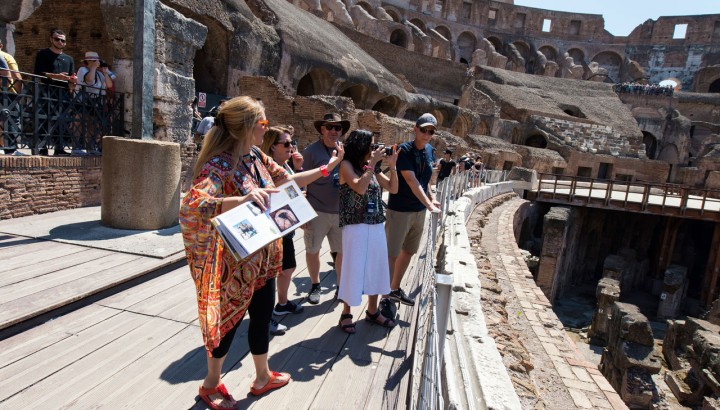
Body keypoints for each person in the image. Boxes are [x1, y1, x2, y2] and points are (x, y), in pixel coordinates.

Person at [179, 96, 343, 409]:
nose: (265, 130)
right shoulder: (219, 166)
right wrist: (241, 200)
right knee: (226, 324)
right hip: (235, 264)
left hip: (266, 258)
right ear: (246, 127)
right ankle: (211, 383)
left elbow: (287, 180)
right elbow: (192, 205)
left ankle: (262, 375)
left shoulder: (255, 155)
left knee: (262, 317)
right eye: (263, 124)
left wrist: (327, 168)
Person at [336, 130, 399, 333]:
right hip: (355, 225)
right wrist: (372, 164)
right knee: (353, 266)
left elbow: (392, 188)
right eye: (370, 145)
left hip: (375, 224)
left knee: (376, 266)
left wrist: (393, 166)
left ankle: (372, 310)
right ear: (360, 146)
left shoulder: (370, 167)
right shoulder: (347, 166)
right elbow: (360, 188)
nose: (373, 149)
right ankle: (346, 312)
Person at [382, 113, 441, 314]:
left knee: (409, 250)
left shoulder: (430, 150)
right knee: (391, 253)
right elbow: (411, 181)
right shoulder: (404, 150)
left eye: (430, 131)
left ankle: (394, 288)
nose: (426, 134)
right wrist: (429, 204)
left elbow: (426, 181)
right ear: (415, 129)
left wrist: (431, 199)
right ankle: (385, 297)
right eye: (423, 130)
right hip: (400, 209)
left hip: (418, 211)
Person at [260, 126, 311, 335]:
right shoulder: (266, 170)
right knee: (270, 276)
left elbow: (298, 190)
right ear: (273, 147)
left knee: (288, 268)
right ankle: (266, 317)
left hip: (285, 229)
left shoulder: (286, 168)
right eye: (287, 144)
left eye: (292, 143)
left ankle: (281, 304)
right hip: (272, 233)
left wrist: (298, 168)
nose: (292, 147)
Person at [302, 113, 350, 304]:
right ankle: (315, 285)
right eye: (329, 127)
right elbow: (302, 181)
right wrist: (303, 213)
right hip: (316, 210)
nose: (333, 131)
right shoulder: (311, 152)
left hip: (340, 211)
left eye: (337, 128)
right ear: (322, 129)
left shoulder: (345, 151)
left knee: (341, 252)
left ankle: (340, 285)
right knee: (313, 249)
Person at [33, 29, 75, 156]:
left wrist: (72, 82)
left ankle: (59, 148)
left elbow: (71, 76)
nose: (60, 42)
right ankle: (42, 147)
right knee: (44, 119)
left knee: (61, 121)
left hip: (63, 93)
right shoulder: (43, 54)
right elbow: (38, 73)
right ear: (51, 39)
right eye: (57, 39)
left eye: (63, 40)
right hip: (47, 91)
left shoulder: (69, 59)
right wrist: (56, 76)